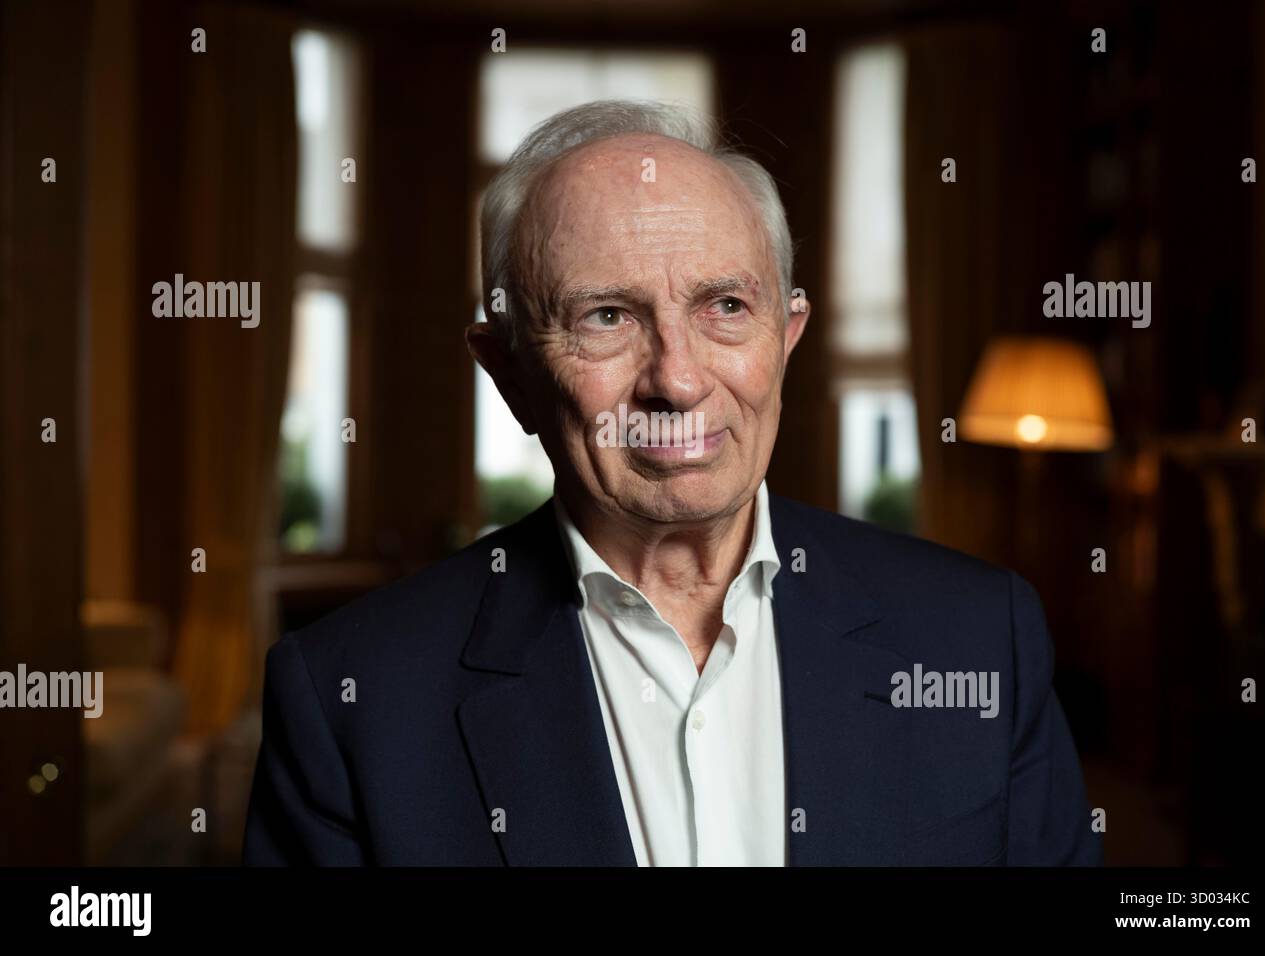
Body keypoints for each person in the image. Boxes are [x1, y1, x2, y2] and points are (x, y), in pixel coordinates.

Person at [243, 100, 1101, 866]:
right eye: (606, 316)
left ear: (787, 335)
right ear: (508, 370)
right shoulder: (353, 701)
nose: (679, 380)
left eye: (725, 306)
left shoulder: (980, 640)